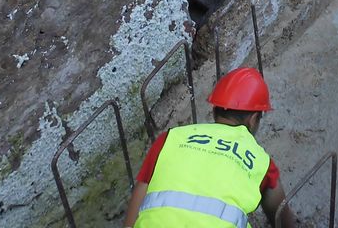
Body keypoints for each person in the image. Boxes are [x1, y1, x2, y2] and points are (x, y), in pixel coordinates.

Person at [123, 67, 296, 228]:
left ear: (214, 111)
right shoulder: (261, 162)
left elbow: (137, 202)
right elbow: (280, 213)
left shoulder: (170, 139)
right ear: (253, 119)